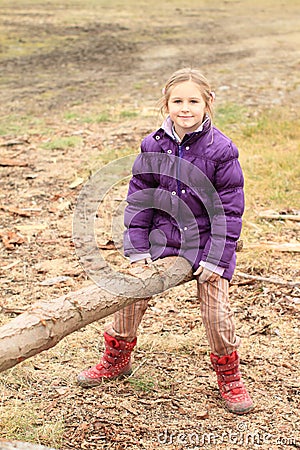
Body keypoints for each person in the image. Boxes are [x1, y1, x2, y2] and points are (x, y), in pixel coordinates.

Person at [77, 68, 254, 415]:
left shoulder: (221, 150)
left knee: (216, 313)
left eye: (193, 101)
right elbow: (140, 196)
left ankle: (229, 376)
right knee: (130, 298)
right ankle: (116, 358)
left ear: (208, 104)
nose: (185, 108)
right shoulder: (152, 145)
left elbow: (229, 210)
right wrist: (138, 248)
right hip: (161, 239)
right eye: (177, 101)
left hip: (205, 244)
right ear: (166, 104)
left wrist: (217, 257)